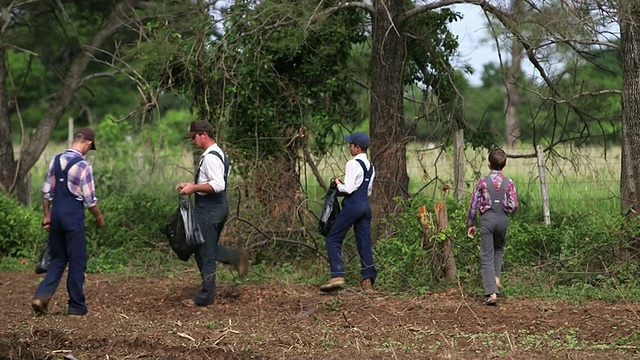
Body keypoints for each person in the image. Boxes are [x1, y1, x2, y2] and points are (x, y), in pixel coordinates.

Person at [32, 128, 105, 316]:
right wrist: (99, 218)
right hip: (73, 217)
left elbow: (46, 191)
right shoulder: (83, 166)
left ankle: (41, 296)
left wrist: (47, 215)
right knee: (77, 260)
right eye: (90, 147)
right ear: (88, 143)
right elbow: (90, 200)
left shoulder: (56, 160)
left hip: (56, 213)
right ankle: (76, 306)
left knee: (57, 259)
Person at [176, 120, 249, 307]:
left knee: (205, 253)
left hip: (210, 210)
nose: (193, 141)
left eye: (194, 137)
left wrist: (193, 188)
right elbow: (211, 181)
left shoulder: (210, 157)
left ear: (203, 135)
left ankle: (205, 298)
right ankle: (234, 257)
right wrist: (191, 185)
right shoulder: (218, 154)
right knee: (203, 249)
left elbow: (218, 185)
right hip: (216, 207)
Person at [320, 132, 377, 292]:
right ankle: (367, 280)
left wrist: (338, 184)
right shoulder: (371, 167)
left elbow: (349, 188)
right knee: (364, 243)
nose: (349, 147)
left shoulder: (352, 164)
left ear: (357, 148)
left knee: (333, 238)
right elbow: (368, 191)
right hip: (365, 207)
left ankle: (337, 275)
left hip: (353, 206)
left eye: (351, 145)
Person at [466, 148, 519, 305]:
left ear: (488, 164)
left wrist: (471, 223)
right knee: (499, 249)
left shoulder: (483, 182)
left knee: (486, 255)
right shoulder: (509, 183)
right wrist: (505, 210)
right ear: (505, 164)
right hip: (502, 219)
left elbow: (473, 204)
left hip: (487, 220)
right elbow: (514, 205)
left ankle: (492, 293)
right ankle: (496, 277)